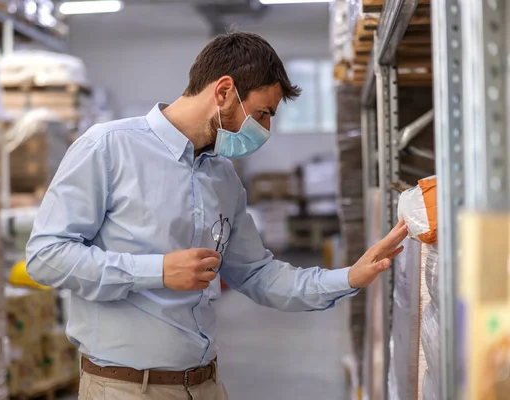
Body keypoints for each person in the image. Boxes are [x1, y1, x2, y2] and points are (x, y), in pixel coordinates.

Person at [25, 31, 407, 400]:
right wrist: (157, 271)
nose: (266, 130)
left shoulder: (222, 176)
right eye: (262, 113)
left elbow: (257, 273)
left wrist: (349, 277)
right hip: (126, 388)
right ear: (224, 92)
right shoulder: (108, 148)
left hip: (205, 384)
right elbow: (45, 257)